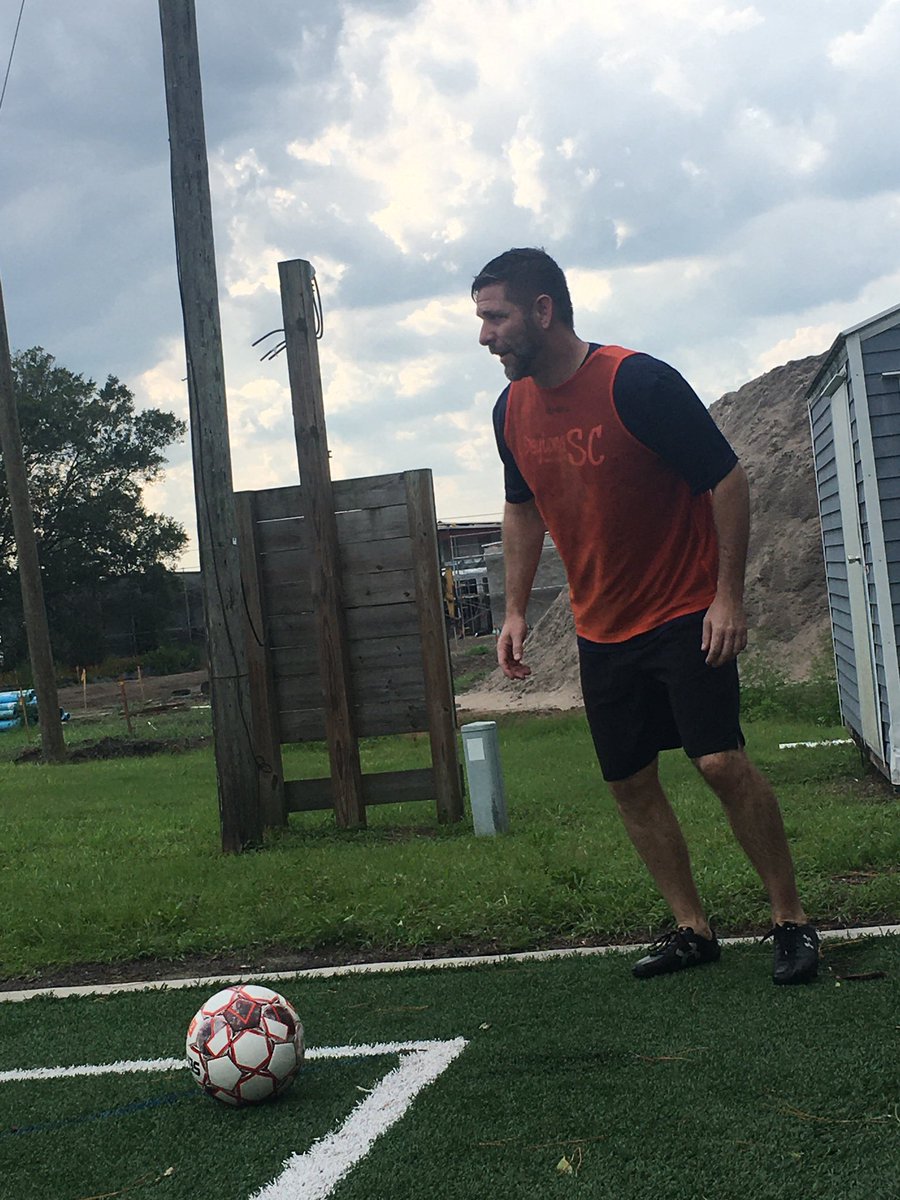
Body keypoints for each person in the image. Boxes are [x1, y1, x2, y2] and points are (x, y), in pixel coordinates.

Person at [472, 247, 819, 984]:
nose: (485, 336)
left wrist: (728, 596)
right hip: (601, 628)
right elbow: (521, 507)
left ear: (542, 310)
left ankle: (790, 918)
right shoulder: (509, 411)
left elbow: (727, 479)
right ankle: (693, 929)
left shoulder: (638, 383)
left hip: (685, 610)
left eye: (496, 317)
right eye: (481, 320)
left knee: (719, 761)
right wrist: (514, 611)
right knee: (629, 782)